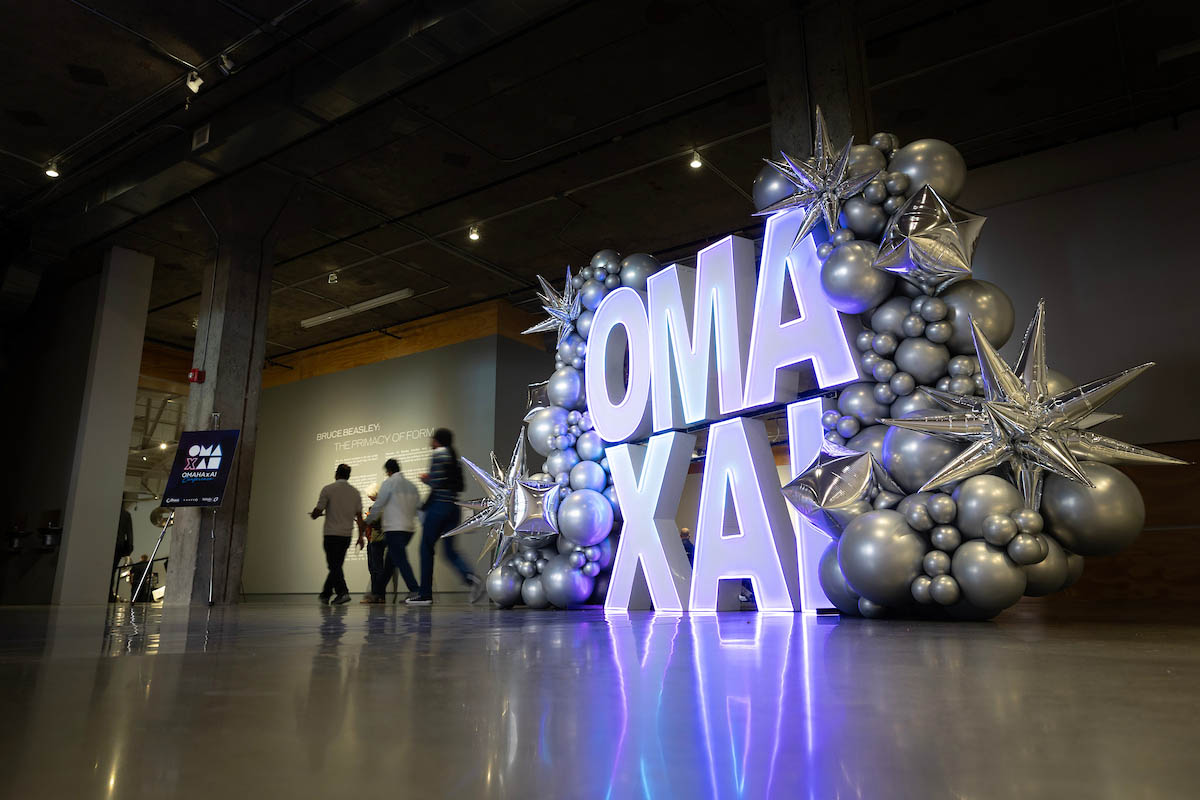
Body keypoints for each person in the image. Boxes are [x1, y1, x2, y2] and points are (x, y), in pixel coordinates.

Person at [411, 428, 481, 605]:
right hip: (453, 507)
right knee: (449, 551)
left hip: (438, 507)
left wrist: (426, 479)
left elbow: (436, 483)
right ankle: (470, 577)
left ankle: (425, 594)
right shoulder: (455, 460)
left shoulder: (438, 455)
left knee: (426, 549)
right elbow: (460, 486)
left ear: (437, 440)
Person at [364, 459, 421, 604]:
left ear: (388, 471)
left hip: (394, 529)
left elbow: (378, 506)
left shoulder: (388, 484)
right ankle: (377, 593)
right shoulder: (411, 486)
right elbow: (418, 508)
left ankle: (415, 590)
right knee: (390, 563)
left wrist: (366, 522)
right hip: (408, 529)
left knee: (400, 560)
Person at [310, 464, 364, 605]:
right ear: (348, 476)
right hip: (346, 535)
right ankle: (326, 594)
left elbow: (318, 510)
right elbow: (359, 517)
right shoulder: (355, 493)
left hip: (331, 534)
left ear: (336, 474)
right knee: (336, 565)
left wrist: (314, 514)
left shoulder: (328, 489)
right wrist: (360, 537)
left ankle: (343, 592)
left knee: (333, 565)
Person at [110, 505, 134, 602]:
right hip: (118, 546)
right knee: (112, 571)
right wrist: (129, 547)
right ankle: (109, 594)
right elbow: (129, 533)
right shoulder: (125, 514)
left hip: (108, 544)